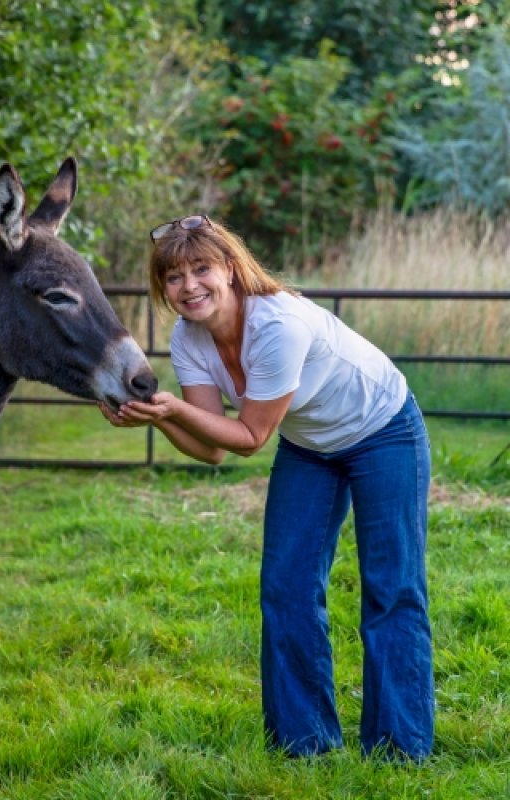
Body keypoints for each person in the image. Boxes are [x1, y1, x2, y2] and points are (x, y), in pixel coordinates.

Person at [99, 214, 434, 761]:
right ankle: (305, 744)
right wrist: (157, 418)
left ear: (230, 269)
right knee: (286, 585)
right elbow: (210, 446)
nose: (189, 287)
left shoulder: (278, 325)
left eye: (201, 269)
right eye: (174, 278)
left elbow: (250, 437)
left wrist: (175, 409)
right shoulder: (189, 338)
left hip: (383, 430)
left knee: (391, 587)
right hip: (311, 446)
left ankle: (400, 748)